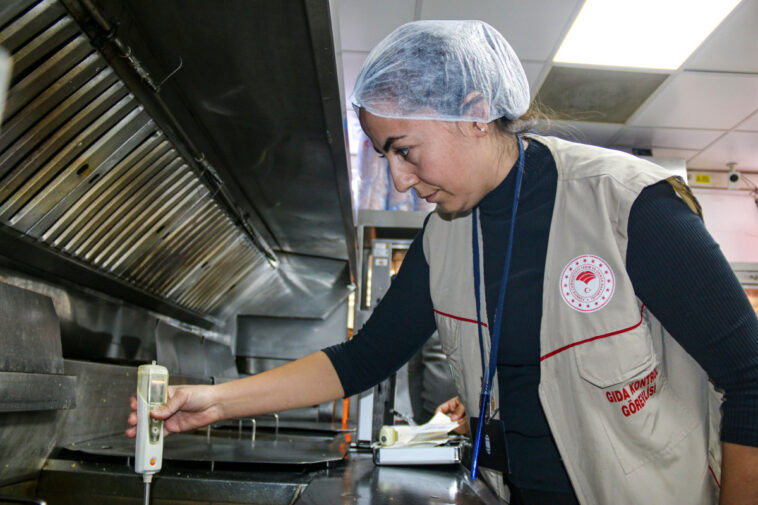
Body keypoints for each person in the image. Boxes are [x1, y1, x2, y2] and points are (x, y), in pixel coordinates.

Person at [127, 20, 758, 505]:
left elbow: (751, 379)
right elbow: (363, 358)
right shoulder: (445, 238)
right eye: (385, 158)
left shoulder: (626, 205)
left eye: (404, 150)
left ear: (475, 111)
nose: (400, 180)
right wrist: (213, 401)